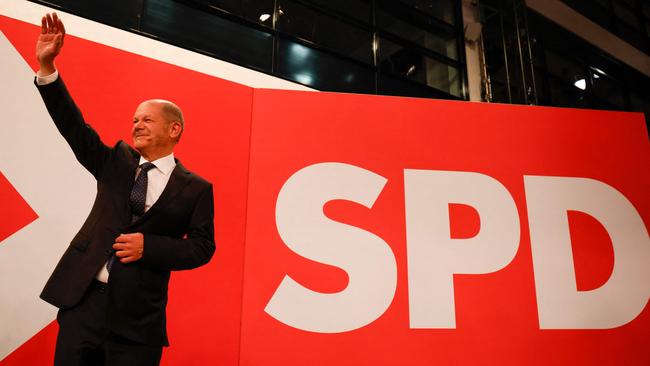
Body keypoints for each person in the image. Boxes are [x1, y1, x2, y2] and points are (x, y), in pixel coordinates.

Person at [34, 13, 216, 366]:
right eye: (134, 119)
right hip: (83, 304)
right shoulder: (116, 162)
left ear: (174, 129)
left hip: (138, 323)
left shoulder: (196, 188)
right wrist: (47, 69)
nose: (137, 125)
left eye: (147, 119)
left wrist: (151, 247)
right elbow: (75, 129)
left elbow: (202, 247)